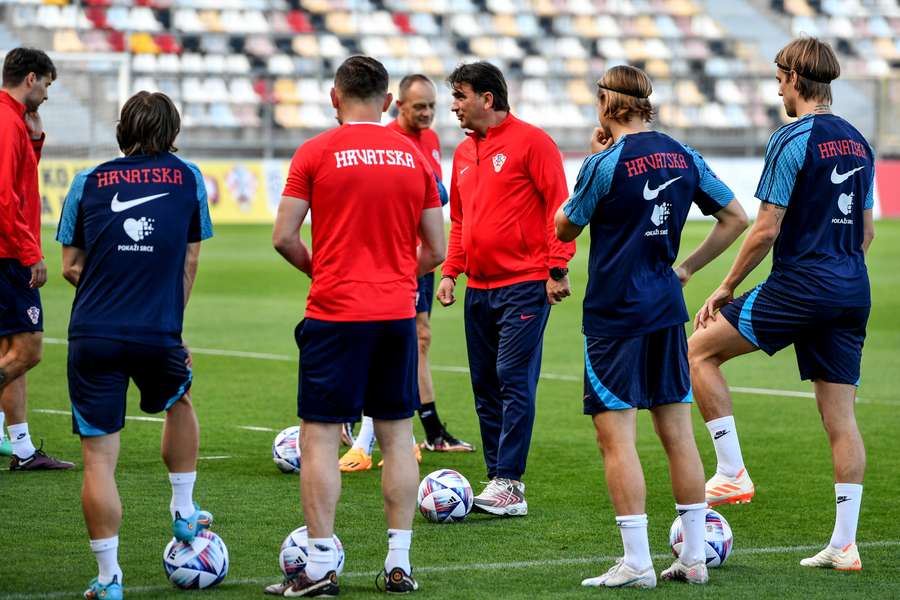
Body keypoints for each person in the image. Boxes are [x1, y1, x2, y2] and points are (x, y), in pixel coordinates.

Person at [555, 65, 748, 588]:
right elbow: (736, 217)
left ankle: (637, 561)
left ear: (605, 104)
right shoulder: (683, 155)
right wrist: (685, 269)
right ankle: (693, 558)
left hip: (616, 313)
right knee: (678, 436)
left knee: (616, 438)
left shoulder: (604, 162)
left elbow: (565, 225)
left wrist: (593, 157)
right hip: (665, 306)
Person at [688, 37, 874, 571]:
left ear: (795, 77)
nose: (776, 85)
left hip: (803, 284)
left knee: (697, 351)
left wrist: (725, 285)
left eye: (778, 75)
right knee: (841, 420)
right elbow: (865, 232)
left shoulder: (792, 137)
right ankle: (845, 545)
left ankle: (730, 472)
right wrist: (839, 272)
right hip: (850, 288)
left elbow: (765, 228)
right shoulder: (859, 142)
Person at [265, 56, 445, 596]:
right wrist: (392, 276)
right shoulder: (415, 158)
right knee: (396, 435)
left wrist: (324, 271)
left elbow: (283, 236)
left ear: (333, 96)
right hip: (393, 315)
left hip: (335, 312)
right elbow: (436, 248)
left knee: (319, 435)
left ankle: (319, 566)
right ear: (388, 102)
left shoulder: (315, 153)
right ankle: (398, 564)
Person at [56, 91, 214, 600]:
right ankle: (185, 512)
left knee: (100, 462)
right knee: (179, 401)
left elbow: (69, 266)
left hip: (93, 333)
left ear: (122, 129)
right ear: (173, 130)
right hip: (157, 331)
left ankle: (108, 581)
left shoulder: (87, 181)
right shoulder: (189, 178)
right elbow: (188, 262)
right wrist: (170, 319)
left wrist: (112, 285)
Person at [436, 61, 575, 516]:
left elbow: (561, 208)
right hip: (478, 287)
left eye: (460, 96)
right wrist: (451, 272)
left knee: (513, 379)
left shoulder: (533, 142)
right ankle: (497, 479)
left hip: (524, 285)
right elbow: (460, 220)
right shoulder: (462, 153)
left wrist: (557, 269)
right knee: (484, 384)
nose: (453, 106)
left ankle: (510, 482)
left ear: (487, 99)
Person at [339, 74, 473, 473]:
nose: (428, 113)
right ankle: (367, 428)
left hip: (420, 256)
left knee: (420, 338)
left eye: (432, 106)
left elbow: (437, 195)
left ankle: (426, 430)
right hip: (392, 256)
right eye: (420, 107)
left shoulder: (429, 141)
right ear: (397, 104)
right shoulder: (390, 142)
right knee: (390, 341)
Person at [0, 47, 73, 469]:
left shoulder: (13, 123)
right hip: (8, 253)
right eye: (46, 84)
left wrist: (35, 140)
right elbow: (5, 197)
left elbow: (18, 177)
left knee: (9, 351)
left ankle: (22, 450)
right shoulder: (6, 122)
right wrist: (31, 252)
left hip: (7, 250)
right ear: (31, 78)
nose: (46, 94)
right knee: (28, 350)